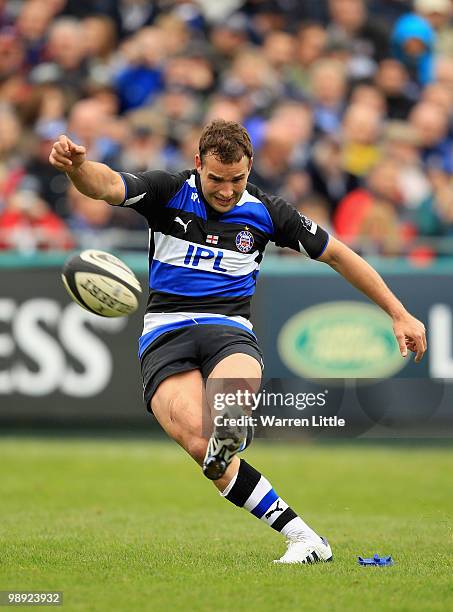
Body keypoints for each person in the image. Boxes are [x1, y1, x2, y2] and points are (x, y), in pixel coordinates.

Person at [49, 119, 427, 564]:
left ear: (249, 170)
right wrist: (77, 168)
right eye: (215, 179)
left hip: (228, 329)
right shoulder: (168, 191)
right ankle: (306, 538)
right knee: (199, 444)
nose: (227, 190)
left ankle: (233, 429)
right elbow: (108, 185)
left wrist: (398, 312)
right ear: (197, 166)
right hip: (164, 334)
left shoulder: (267, 211)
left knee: (229, 405)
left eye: (237, 179)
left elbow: (339, 254)